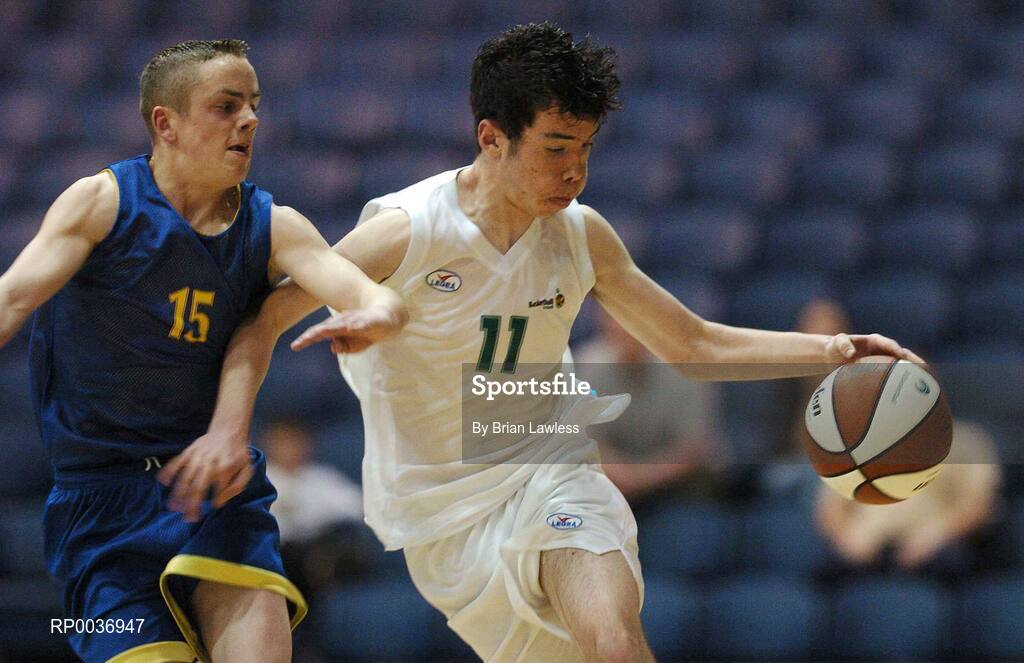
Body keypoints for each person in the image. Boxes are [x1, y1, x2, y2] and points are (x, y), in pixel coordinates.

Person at [191, 24, 920, 662]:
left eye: (587, 148)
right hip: (442, 520)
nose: (574, 171)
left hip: (551, 473)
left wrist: (833, 351)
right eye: (556, 147)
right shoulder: (407, 231)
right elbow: (261, 323)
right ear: (492, 137)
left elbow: (692, 342)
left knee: (611, 639)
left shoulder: (581, 234)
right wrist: (228, 430)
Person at [0, 40, 406, 663]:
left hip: (215, 488)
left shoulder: (273, 224)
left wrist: (379, 314)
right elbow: (11, 301)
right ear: (166, 122)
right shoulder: (102, 203)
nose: (249, 120)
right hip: (100, 508)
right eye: (226, 106)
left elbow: (362, 290)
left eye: (253, 106)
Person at [575, 309, 725, 507]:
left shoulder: (685, 365)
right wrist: (623, 476)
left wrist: (641, 479)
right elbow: (581, 440)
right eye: (617, 319)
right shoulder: (586, 365)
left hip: (678, 491)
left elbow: (693, 446)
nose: (626, 328)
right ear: (603, 324)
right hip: (606, 488)